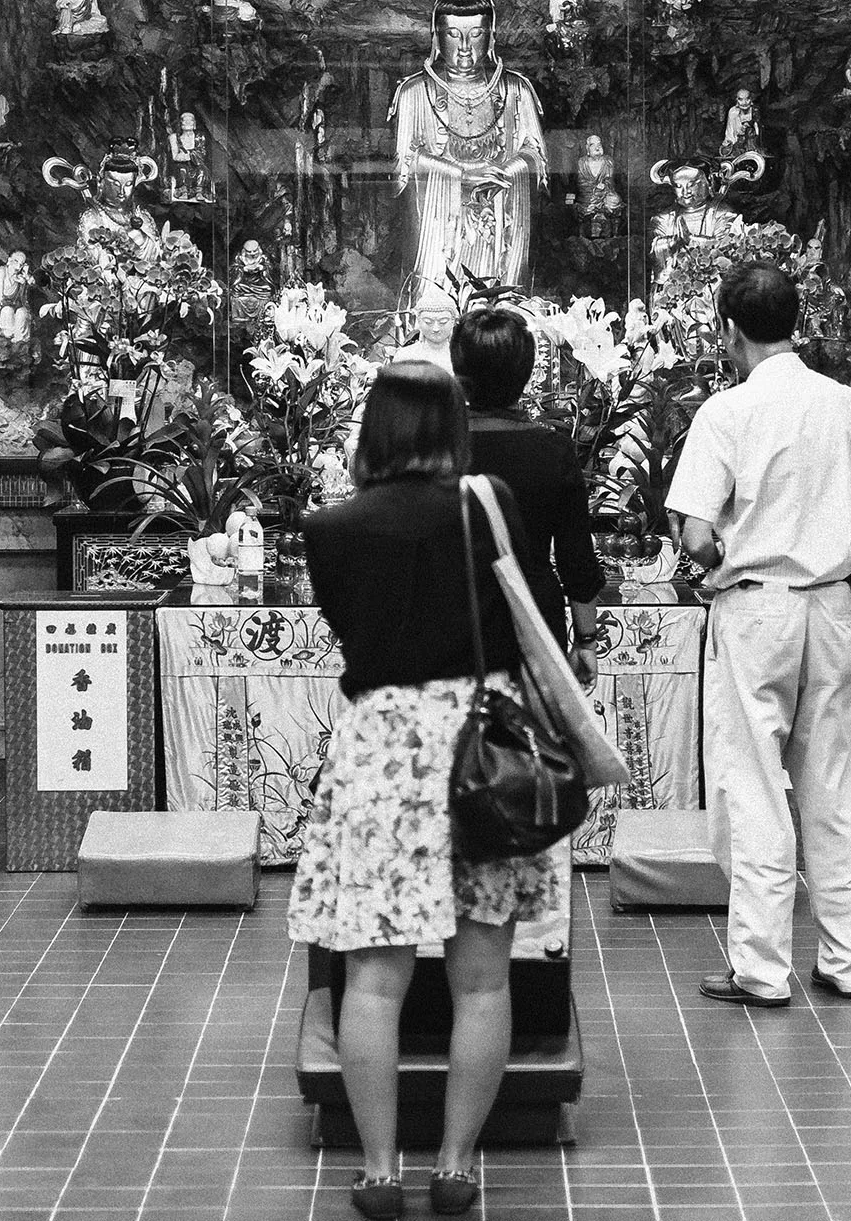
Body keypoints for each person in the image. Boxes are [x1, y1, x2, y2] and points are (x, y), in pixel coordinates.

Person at [289, 364, 557, 1219]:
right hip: (484, 751)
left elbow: (350, 629)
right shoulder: (490, 504)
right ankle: (454, 1163)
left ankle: (378, 1171)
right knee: (483, 978)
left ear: (373, 428)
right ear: (453, 427)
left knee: (372, 978)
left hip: (381, 753)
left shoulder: (328, 528)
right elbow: (531, 610)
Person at [665, 264, 851, 1007]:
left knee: (755, 786)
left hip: (756, 611)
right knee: (831, 784)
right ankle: (850, 959)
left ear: (729, 329)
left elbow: (696, 534)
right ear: (796, 321)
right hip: (830, 608)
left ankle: (763, 968)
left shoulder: (727, 412)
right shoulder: (849, 405)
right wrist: (832, 540)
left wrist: (724, 553)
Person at [452, 308, 604, 671]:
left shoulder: (433, 448)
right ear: (526, 372)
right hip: (534, 621)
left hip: (451, 620)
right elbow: (576, 560)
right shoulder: (552, 451)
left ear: (458, 373)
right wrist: (586, 639)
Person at [391, 0, 546, 290]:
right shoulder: (415, 92)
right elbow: (404, 165)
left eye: (475, 34)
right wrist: (459, 175)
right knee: (440, 299)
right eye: (453, 34)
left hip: (498, 216)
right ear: (436, 36)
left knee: (498, 299)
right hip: (441, 227)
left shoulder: (515, 89)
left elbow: (537, 157)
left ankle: (502, 298)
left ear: (491, 36)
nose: (464, 48)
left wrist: (505, 171)